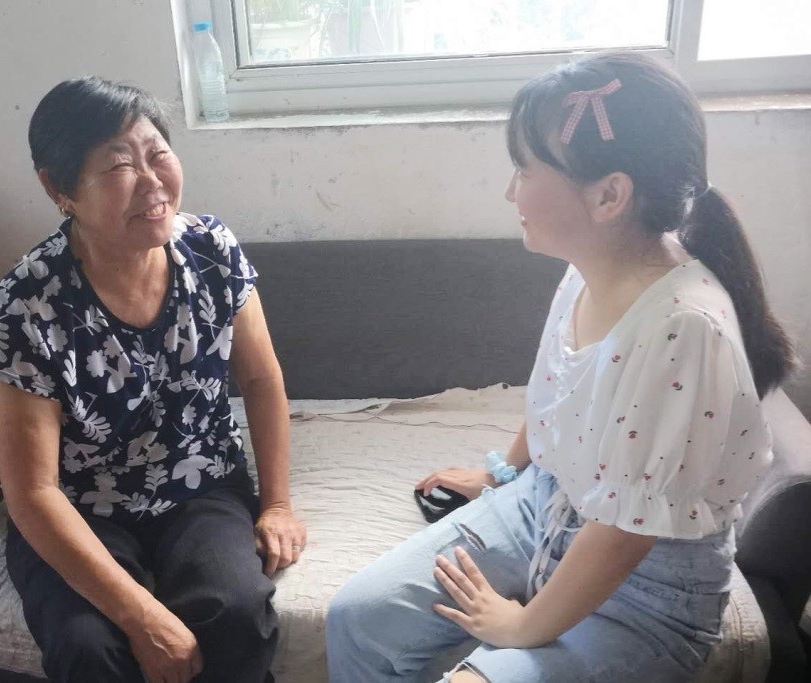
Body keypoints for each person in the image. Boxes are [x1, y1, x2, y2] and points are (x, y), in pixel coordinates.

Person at [326, 52, 796, 683]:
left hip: (645, 588)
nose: (509, 191)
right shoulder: (586, 270)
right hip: (545, 507)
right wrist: (502, 474)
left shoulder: (683, 328)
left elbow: (623, 535)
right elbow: (558, 394)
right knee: (358, 619)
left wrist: (520, 626)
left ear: (609, 195)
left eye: (524, 170)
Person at [0, 77, 305, 683]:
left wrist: (277, 504)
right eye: (119, 166)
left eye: (158, 154)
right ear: (58, 189)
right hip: (79, 506)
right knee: (86, 645)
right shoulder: (24, 307)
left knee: (235, 611)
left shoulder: (213, 251)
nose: (153, 182)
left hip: (200, 481)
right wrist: (142, 617)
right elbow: (34, 492)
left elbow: (261, 380)